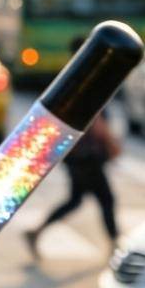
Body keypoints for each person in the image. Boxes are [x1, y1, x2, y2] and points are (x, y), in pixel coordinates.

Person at [24, 35, 121, 257]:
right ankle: (115, 245)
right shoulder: (91, 78)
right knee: (105, 198)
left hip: (72, 151)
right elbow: (96, 120)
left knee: (76, 199)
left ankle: (37, 232)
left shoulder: (70, 77)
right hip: (87, 153)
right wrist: (111, 143)